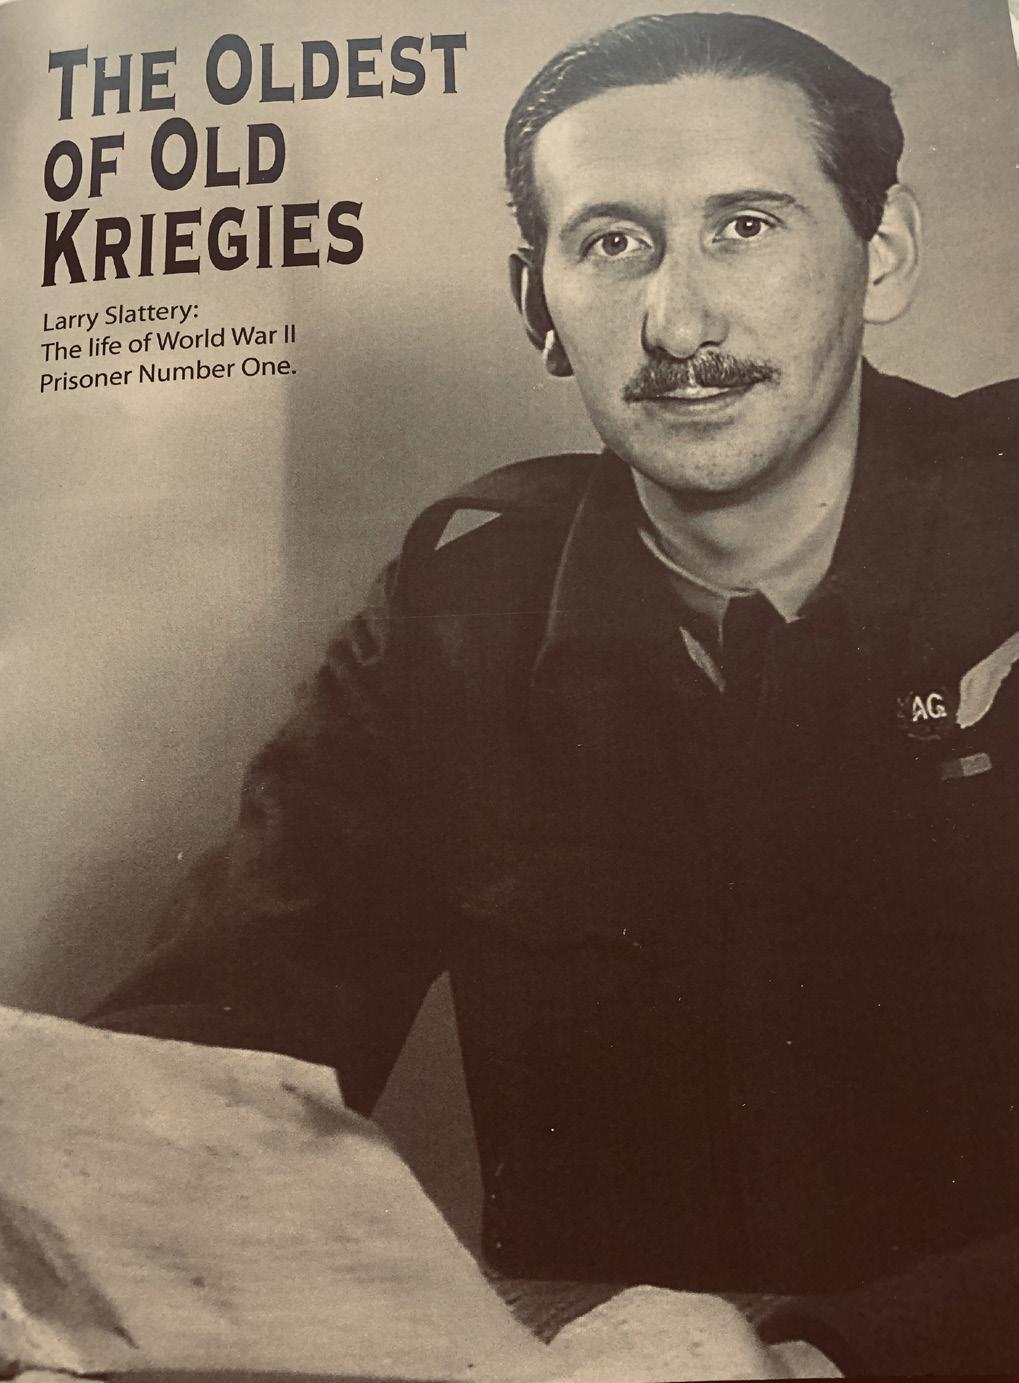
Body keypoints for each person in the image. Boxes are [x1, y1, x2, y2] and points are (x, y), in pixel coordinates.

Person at [91, 12, 1018, 1376]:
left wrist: (830, 1356)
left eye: (744, 228)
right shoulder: (457, 626)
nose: (679, 322)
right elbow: (195, 1067)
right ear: (539, 305)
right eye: (613, 243)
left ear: (881, 256)